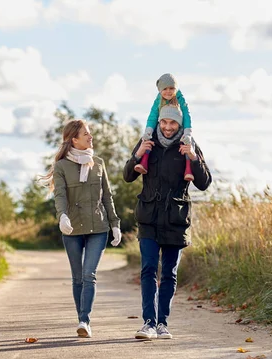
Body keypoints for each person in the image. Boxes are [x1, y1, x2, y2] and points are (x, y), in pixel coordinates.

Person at [123, 104, 212, 340]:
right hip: (149, 218)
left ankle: (163, 324)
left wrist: (193, 158)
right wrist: (136, 154)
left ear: (180, 125)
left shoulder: (189, 145)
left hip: (175, 219)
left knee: (169, 274)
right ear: (159, 122)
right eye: (164, 122)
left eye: (173, 123)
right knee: (148, 269)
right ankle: (148, 323)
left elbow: (204, 182)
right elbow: (127, 176)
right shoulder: (147, 142)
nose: (168, 127)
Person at [41, 119, 122, 338]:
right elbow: (59, 196)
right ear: (73, 139)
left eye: (90, 133)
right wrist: (62, 216)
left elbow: (107, 195)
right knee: (78, 278)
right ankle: (81, 320)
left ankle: (85, 320)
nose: (91, 136)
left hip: (98, 227)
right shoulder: (61, 166)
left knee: (89, 275)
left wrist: (115, 224)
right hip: (73, 228)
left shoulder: (98, 163)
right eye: (86, 133)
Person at [135, 73, 194, 182]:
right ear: (159, 90)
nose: (168, 91)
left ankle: (188, 168)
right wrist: (148, 131)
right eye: (165, 89)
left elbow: (186, 115)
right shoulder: (158, 100)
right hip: (156, 128)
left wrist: (187, 133)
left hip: (181, 129)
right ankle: (144, 161)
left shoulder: (180, 97)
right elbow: (153, 116)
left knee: (187, 144)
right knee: (149, 139)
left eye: (171, 88)